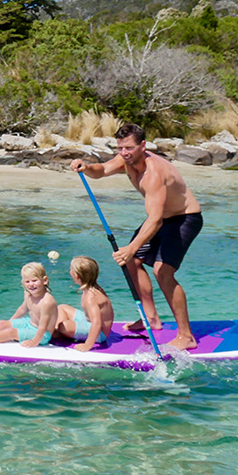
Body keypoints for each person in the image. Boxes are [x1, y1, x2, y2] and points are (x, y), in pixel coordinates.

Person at [70, 123, 202, 350]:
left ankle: (186, 335)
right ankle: (151, 318)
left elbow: (155, 220)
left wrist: (131, 248)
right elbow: (101, 171)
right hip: (160, 218)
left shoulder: (154, 174)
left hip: (184, 219)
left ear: (143, 145)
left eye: (129, 148)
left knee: (163, 271)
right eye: (120, 148)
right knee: (131, 261)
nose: (124, 153)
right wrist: (86, 167)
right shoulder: (125, 160)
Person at [55, 256, 114, 351]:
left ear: (77, 276)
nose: (69, 272)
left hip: (100, 333)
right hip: (88, 321)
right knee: (62, 308)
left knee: (63, 326)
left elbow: (97, 323)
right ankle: (56, 331)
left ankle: (57, 331)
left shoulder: (91, 297)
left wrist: (88, 345)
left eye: (71, 269)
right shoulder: (91, 287)